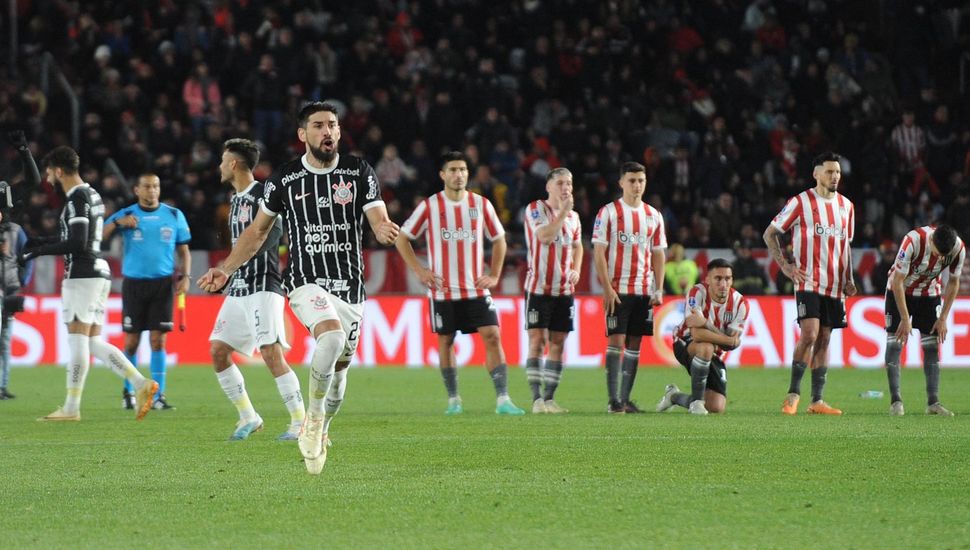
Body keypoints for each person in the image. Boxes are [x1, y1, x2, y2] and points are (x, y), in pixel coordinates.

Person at [198, 102, 400, 475]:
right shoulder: (284, 180)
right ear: (302, 134)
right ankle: (311, 419)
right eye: (319, 126)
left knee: (339, 378)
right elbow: (257, 232)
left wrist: (383, 229)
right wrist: (226, 269)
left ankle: (321, 425)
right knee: (331, 338)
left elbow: (376, 216)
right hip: (305, 282)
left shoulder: (358, 171)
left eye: (333, 125)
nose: (328, 132)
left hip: (351, 288)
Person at [19, 146, 158, 421]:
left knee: (77, 341)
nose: (47, 178)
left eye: (49, 172)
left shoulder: (76, 198)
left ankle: (71, 408)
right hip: (95, 272)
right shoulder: (92, 194)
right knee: (93, 342)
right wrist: (42, 241)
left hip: (82, 276)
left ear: (59, 170)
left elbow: (77, 242)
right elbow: (80, 237)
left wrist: (38, 252)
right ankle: (141, 384)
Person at [395, 151, 525, 416]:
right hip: (443, 290)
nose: (459, 175)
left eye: (463, 170)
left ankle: (503, 399)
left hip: (476, 288)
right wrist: (420, 271)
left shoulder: (481, 204)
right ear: (443, 175)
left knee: (493, 335)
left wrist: (496, 274)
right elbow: (401, 238)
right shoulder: (431, 206)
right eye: (453, 170)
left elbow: (499, 239)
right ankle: (454, 400)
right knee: (446, 341)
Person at [209, 138, 306, 440]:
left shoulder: (263, 194)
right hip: (239, 287)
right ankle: (248, 416)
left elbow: (272, 231)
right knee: (218, 351)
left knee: (271, 353)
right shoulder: (235, 199)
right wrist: (228, 273)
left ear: (234, 164)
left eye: (223, 160)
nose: (220, 166)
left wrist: (231, 266)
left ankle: (301, 422)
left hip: (263, 284)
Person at [764, 151, 857, 415]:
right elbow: (770, 233)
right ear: (816, 174)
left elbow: (846, 247)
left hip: (836, 284)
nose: (834, 176)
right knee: (810, 334)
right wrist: (785, 266)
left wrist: (849, 279)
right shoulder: (800, 203)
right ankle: (792, 394)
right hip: (808, 280)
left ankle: (816, 401)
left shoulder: (847, 207)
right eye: (829, 171)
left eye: (837, 172)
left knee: (825, 338)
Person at [103, 173, 191, 411]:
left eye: (156, 186)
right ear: (137, 190)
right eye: (147, 187)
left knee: (158, 340)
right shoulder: (127, 214)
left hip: (163, 284)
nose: (152, 191)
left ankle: (157, 395)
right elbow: (100, 234)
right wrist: (119, 224)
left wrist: (186, 276)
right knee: (131, 342)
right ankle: (128, 391)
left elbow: (184, 251)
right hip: (133, 284)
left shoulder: (173, 215)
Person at [592, 161, 667, 414]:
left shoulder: (653, 215)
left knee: (635, 344)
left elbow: (658, 254)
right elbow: (599, 252)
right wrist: (606, 288)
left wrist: (658, 287)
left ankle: (624, 399)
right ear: (621, 183)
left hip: (644, 290)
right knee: (616, 340)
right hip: (618, 289)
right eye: (632, 180)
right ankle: (613, 400)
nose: (637, 185)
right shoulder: (609, 213)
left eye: (641, 181)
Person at [883, 224, 964, 416]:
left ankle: (933, 403)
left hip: (929, 294)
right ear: (931, 240)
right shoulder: (912, 241)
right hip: (900, 291)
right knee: (895, 343)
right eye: (938, 254)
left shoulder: (958, 248)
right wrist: (904, 317)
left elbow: (953, 282)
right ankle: (896, 401)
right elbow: (897, 281)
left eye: (945, 255)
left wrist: (943, 317)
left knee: (931, 346)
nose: (941, 259)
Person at [522, 167, 582, 414]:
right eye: (559, 183)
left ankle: (549, 399)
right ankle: (536, 399)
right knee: (537, 340)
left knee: (559, 341)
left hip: (564, 290)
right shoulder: (535, 209)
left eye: (568, 183)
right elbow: (545, 237)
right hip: (538, 287)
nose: (565, 187)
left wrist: (576, 269)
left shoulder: (574, 217)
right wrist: (563, 213)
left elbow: (578, 246)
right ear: (548, 187)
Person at [657, 258, 748, 415]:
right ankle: (697, 404)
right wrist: (728, 339)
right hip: (684, 343)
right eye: (718, 278)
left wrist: (706, 323)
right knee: (706, 346)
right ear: (708, 279)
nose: (723, 284)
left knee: (715, 407)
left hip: (715, 353)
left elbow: (729, 345)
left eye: (727, 278)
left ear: (732, 280)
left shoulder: (740, 304)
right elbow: (697, 334)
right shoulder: (697, 293)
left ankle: (674, 396)